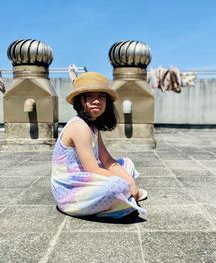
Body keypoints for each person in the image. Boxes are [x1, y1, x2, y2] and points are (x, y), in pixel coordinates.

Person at [51, 72, 147, 218]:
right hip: (71, 192)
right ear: (79, 101)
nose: (96, 101)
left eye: (101, 96)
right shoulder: (79, 127)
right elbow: (93, 169)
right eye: (90, 96)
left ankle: (121, 199)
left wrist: (130, 180)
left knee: (127, 164)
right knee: (118, 185)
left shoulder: (93, 126)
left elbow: (108, 161)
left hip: (87, 179)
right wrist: (128, 183)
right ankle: (119, 203)